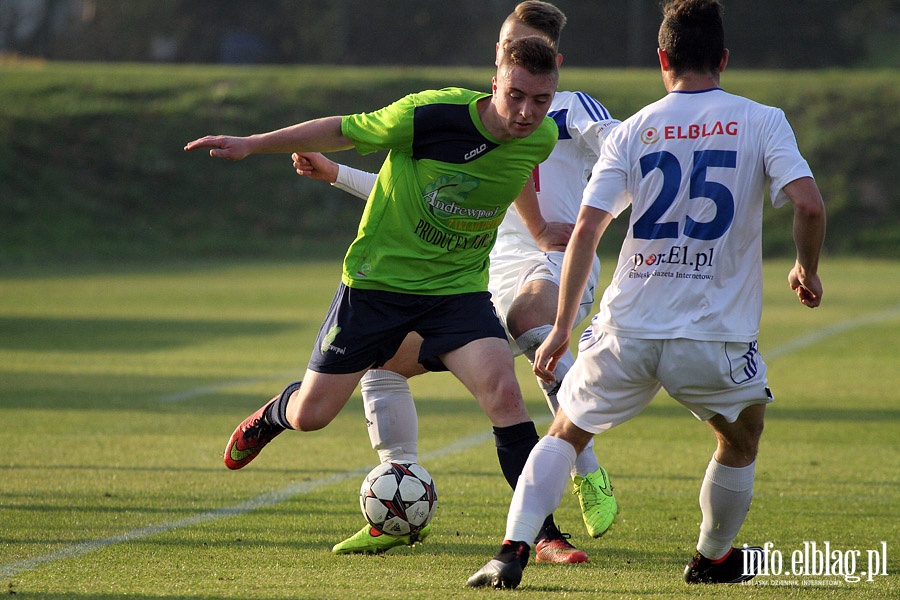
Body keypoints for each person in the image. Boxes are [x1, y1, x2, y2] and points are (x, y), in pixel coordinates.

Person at [467, 0, 826, 588]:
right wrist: (804, 268)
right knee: (740, 436)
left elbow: (586, 228)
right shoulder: (763, 120)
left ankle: (511, 551)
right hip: (713, 333)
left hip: (625, 326)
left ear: (662, 58)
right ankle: (711, 556)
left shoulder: (634, 129)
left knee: (565, 432)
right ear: (725, 59)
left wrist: (560, 329)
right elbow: (808, 203)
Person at [184, 35, 562, 555]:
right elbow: (341, 130)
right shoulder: (428, 116)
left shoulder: (538, 138)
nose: (526, 112)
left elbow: (513, 171)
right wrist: (252, 144)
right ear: (495, 81)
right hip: (376, 285)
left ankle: (541, 535)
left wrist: (538, 226)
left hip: (457, 291)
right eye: (515, 95)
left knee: (505, 395)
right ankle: (275, 413)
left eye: (540, 101)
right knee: (311, 416)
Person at [292, 1, 620, 563]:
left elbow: (625, 150)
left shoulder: (567, 108)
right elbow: (424, 197)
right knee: (384, 361)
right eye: (502, 44)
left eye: (520, 45)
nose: (508, 55)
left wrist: (601, 218)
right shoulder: (476, 114)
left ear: (551, 59)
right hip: (483, 267)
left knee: (531, 327)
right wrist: (336, 174)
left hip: (554, 260)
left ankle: (581, 468)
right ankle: (396, 501)